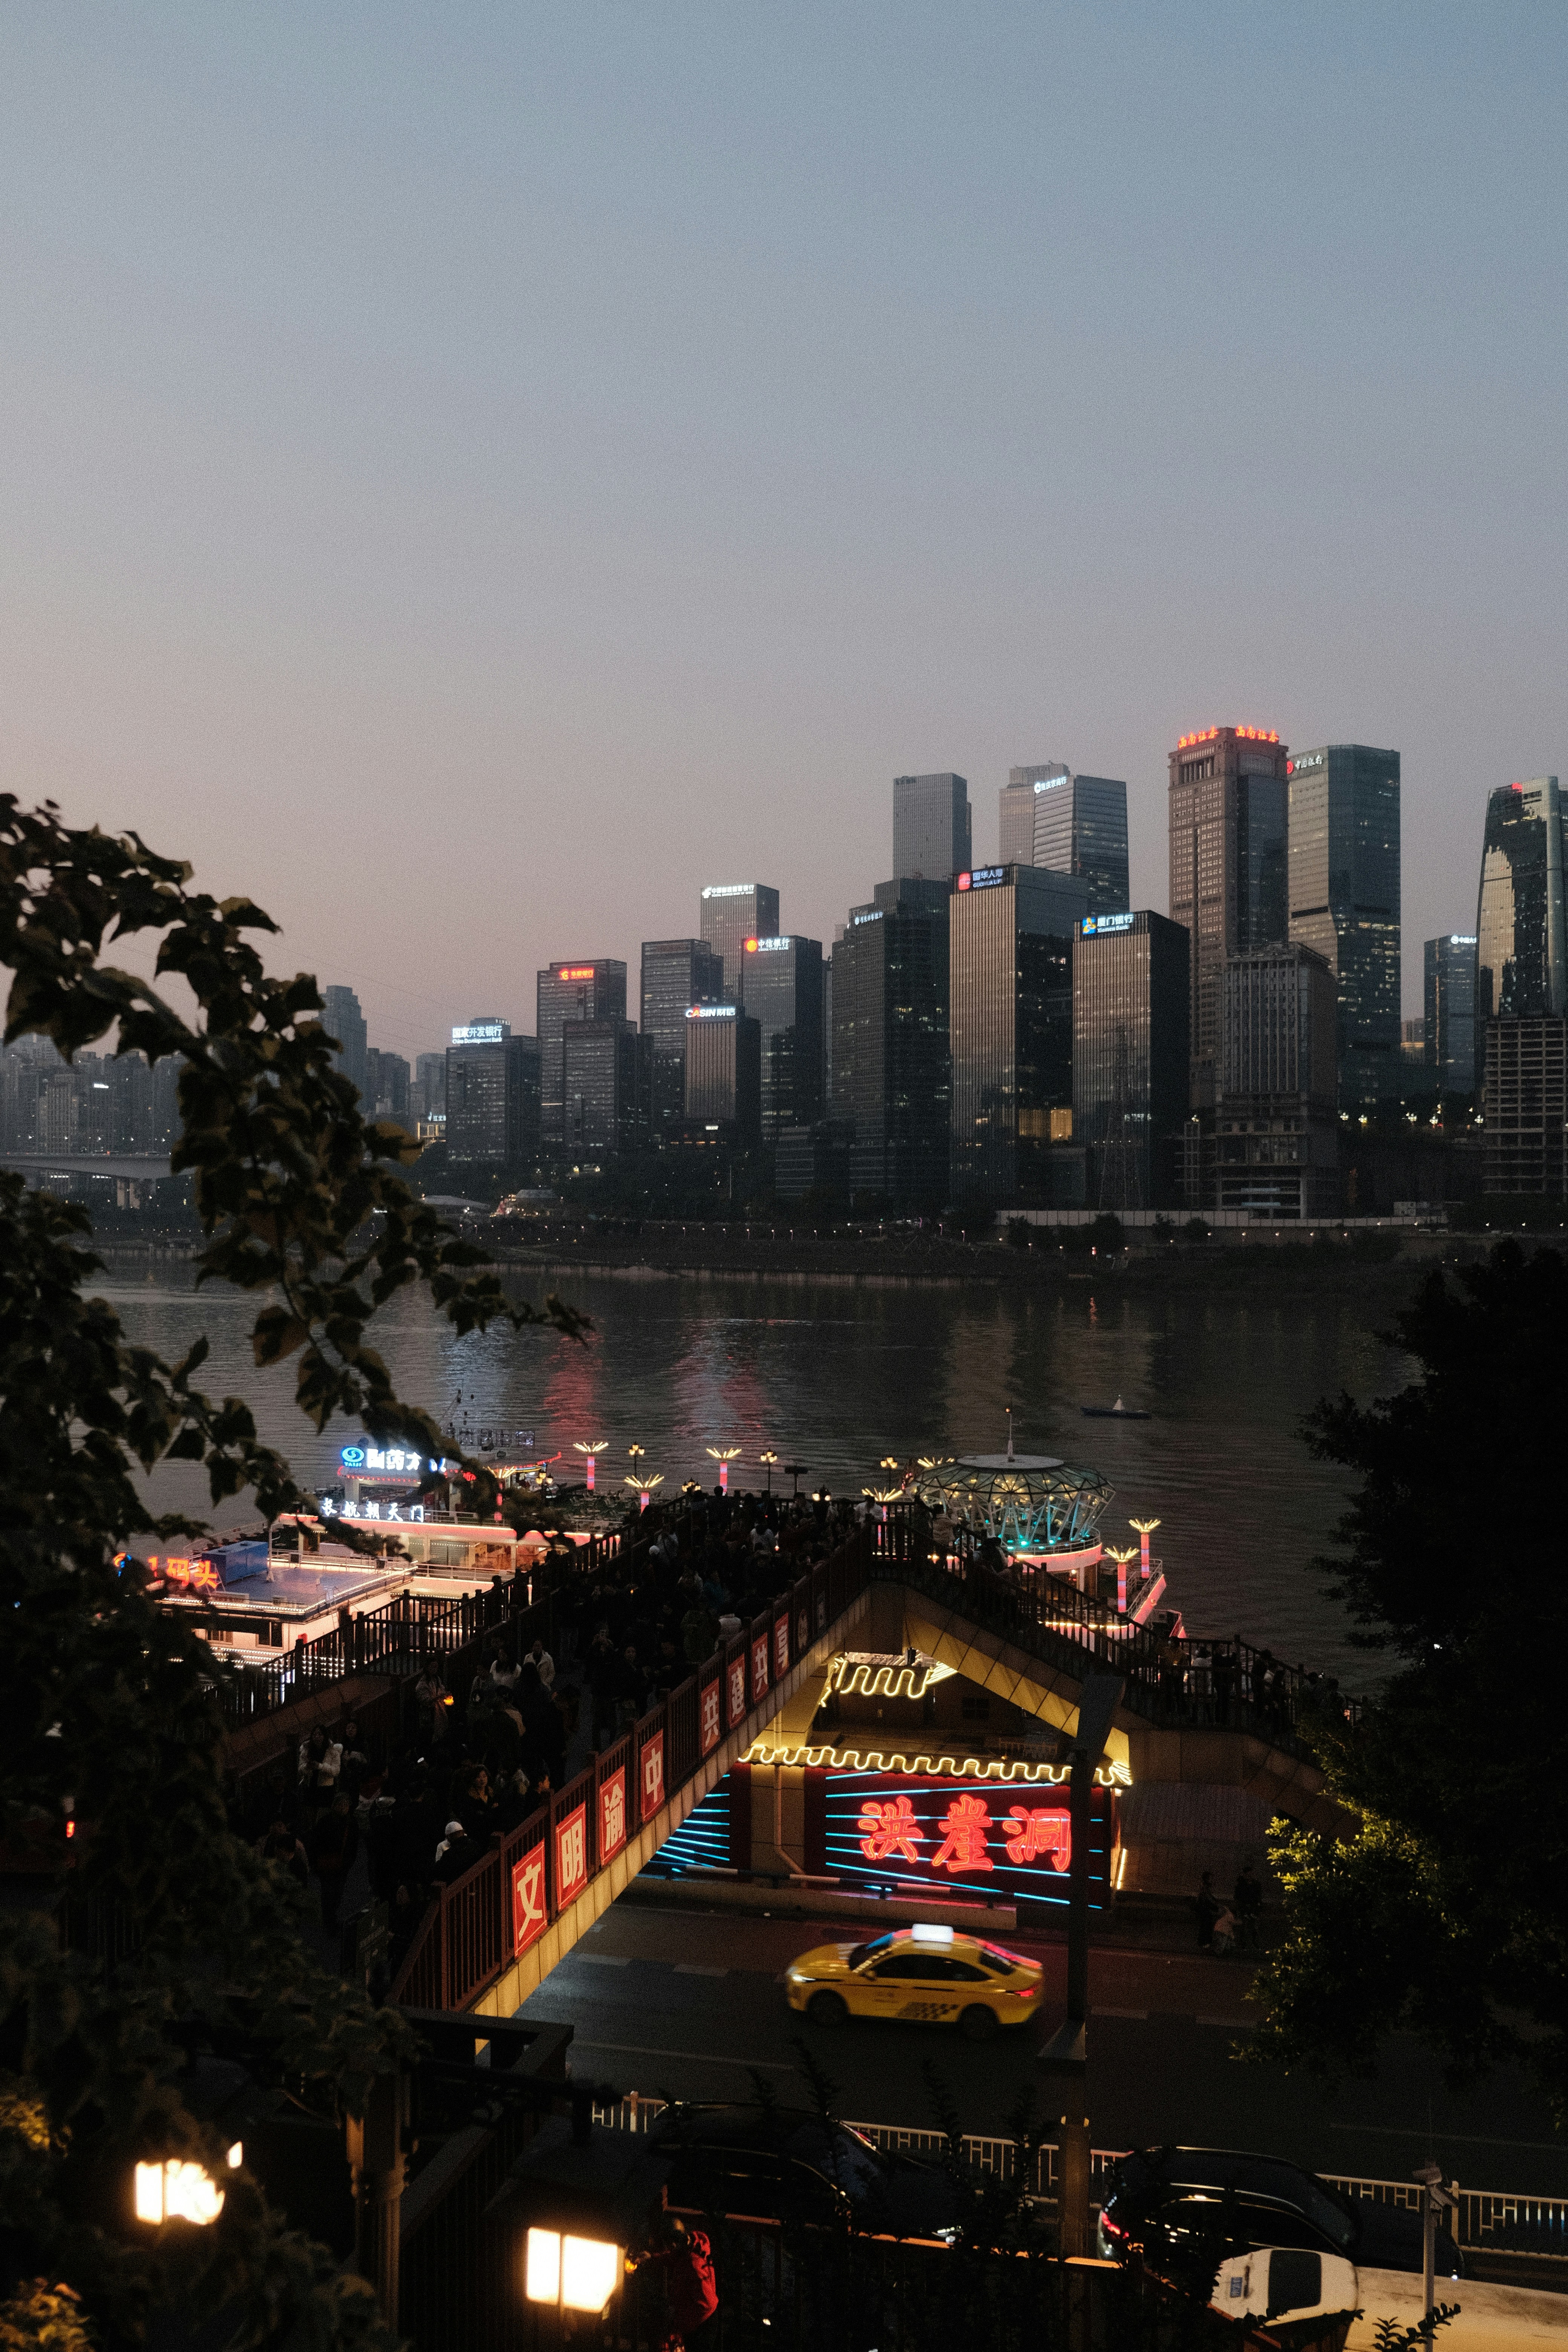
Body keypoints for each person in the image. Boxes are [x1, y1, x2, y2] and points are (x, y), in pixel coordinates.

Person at [627, 2210, 718, 2351]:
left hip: (703, 2324)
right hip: (697, 2322)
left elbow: (708, 2304)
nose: (668, 2248)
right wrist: (651, 2257)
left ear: (675, 2241)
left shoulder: (693, 2265)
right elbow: (674, 2257)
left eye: (669, 2244)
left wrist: (679, 2318)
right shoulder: (689, 2249)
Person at [1234, 1858, 1263, 1949]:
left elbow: (1259, 1896)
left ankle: (1254, 1943)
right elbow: (1237, 1897)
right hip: (1245, 1908)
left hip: (1253, 1908)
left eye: (1251, 1874)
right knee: (1245, 1926)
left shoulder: (1256, 1884)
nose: (1250, 1876)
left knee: (1254, 1927)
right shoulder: (1241, 1884)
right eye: (1248, 1874)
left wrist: (1258, 1906)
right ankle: (1244, 1943)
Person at [1195, 1870, 1220, 1952]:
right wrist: (1217, 1905)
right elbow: (1208, 1898)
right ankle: (1204, 1942)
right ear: (1207, 1879)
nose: (1212, 1880)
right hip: (1205, 1909)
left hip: (1205, 1908)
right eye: (1211, 1878)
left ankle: (1205, 1942)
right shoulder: (1205, 1887)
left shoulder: (1206, 1887)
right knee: (1206, 1925)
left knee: (1207, 1925)